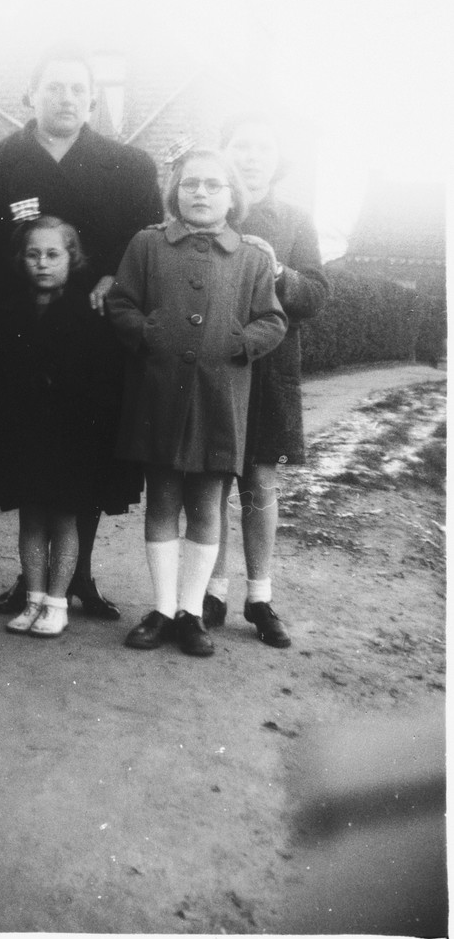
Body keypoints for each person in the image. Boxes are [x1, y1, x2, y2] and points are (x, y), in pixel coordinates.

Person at [0, 48, 162, 619]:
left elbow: (143, 241)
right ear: (31, 95)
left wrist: (109, 276)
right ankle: (31, 581)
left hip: (96, 332)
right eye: (53, 87)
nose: (66, 97)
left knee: (83, 457)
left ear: (93, 100)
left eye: (77, 88)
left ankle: (80, 578)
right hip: (21, 333)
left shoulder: (130, 166)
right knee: (30, 456)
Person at [106, 147, 288, 657]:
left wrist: (241, 341)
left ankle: (191, 612)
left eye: (213, 185)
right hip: (160, 393)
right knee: (162, 500)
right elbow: (120, 302)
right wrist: (144, 332)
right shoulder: (148, 245)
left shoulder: (252, 256)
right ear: (174, 192)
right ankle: (162, 609)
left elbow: (273, 319)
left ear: (232, 196)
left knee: (208, 505)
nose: (201, 193)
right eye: (190, 184)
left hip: (220, 398)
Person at [202, 115, 329, 647]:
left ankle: (260, 596)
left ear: (278, 159)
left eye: (262, 148)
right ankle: (212, 588)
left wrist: (280, 273)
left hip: (271, 368)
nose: (251, 157)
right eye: (241, 146)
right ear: (225, 152)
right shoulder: (211, 208)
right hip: (215, 365)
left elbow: (317, 294)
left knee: (258, 480)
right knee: (210, 479)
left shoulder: (295, 219)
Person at [0, 216, 137, 638]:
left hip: (70, 439)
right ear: (21, 260)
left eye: (53, 254)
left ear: (73, 258)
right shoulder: (8, 313)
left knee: (65, 521)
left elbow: (101, 383)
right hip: (24, 436)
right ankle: (33, 598)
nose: (43, 263)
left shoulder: (89, 314)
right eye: (33, 254)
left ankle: (57, 602)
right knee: (31, 518)